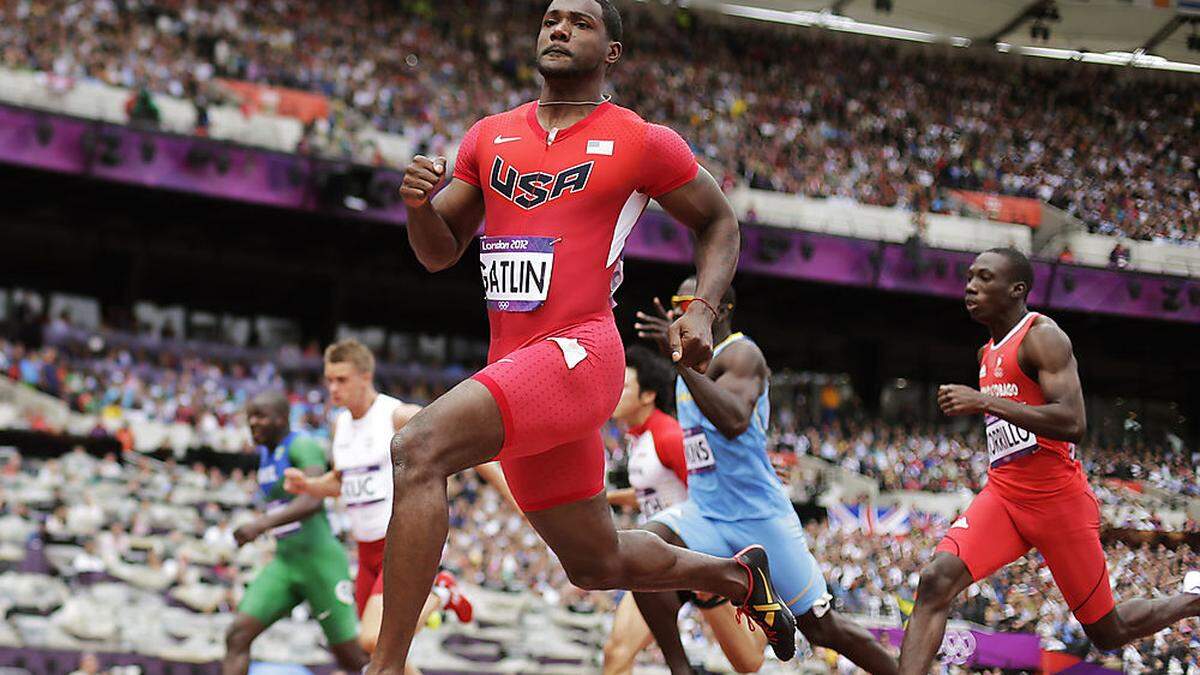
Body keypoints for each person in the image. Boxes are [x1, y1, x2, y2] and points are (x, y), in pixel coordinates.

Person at [370, 1, 793, 671]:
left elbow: (718, 221)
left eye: (580, 21)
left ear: (612, 53)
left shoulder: (640, 140)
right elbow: (437, 250)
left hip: (580, 353)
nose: (558, 28)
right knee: (597, 560)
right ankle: (738, 578)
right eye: (549, 18)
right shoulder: (489, 136)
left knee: (417, 447)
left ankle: (385, 665)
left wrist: (704, 310)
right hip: (517, 364)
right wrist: (419, 206)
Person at [898, 248, 1200, 674]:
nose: (970, 286)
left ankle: (1192, 600)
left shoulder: (1043, 336)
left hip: (1058, 504)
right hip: (1003, 497)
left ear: (1016, 289)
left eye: (984, 278)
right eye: (969, 277)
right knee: (935, 581)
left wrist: (984, 401)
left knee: (1106, 632)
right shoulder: (987, 353)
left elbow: (1072, 421)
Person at [633, 278, 900, 675]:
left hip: (758, 518)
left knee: (822, 628)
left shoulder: (741, 355)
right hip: (705, 513)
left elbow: (735, 421)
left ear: (719, 311)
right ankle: (681, 667)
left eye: (686, 303)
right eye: (675, 303)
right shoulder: (689, 367)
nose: (676, 312)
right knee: (641, 553)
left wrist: (680, 362)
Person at [282, 339, 478, 673]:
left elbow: (462, 436)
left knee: (375, 641)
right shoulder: (341, 425)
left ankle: (443, 594)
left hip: (398, 544)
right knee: (387, 660)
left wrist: (512, 492)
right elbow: (342, 482)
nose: (333, 387)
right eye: (329, 379)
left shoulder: (395, 415)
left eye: (341, 380)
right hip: (366, 552)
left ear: (365, 376)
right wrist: (309, 485)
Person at [603, 345, 766, 675]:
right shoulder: (640, 438)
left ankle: (765, 607)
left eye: (624, 387)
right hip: (659, 563)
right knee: (617, 652)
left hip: (696, 560)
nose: (614, 394)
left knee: (749, 661)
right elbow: (655, 493)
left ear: (647, 395)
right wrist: (607, 498)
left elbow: (707, 493)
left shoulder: (668, 436)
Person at [221, 392, 366, 675]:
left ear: (281, 418)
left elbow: (312, 499)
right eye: (250, 416)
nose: (253, 423)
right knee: (237, 635)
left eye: (260, 416)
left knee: (350, 657)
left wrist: (260, 524)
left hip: (319, 562)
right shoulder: (265, 454)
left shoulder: (302, 445)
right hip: (286, 562)